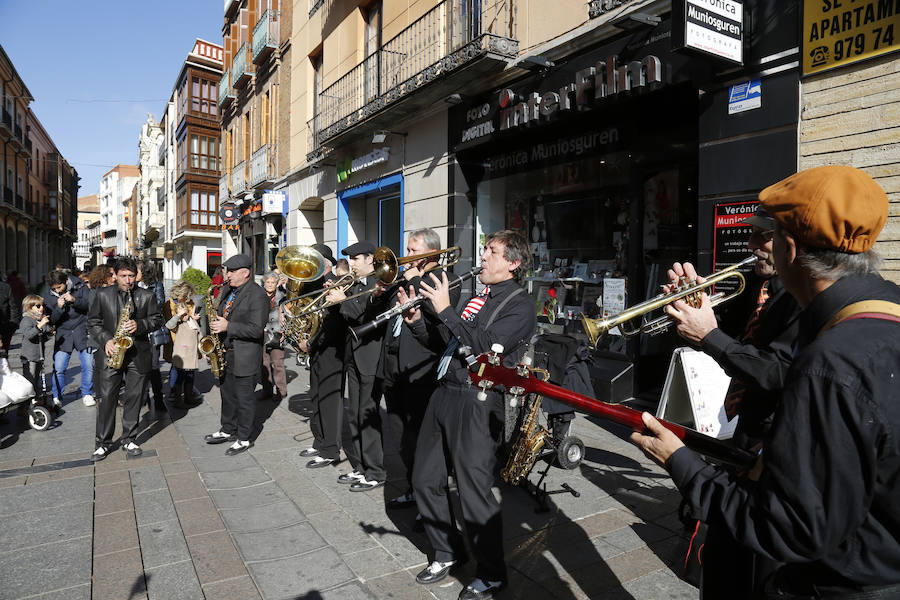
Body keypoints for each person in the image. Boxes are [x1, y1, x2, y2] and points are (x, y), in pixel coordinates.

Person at [632, 165, 900, 598]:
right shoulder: (885, 308)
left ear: (790, 249)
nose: (756, 246)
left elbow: (789, 528)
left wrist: (681, 461)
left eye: (766, 234)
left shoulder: (830, 361)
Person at [401, 230, 535, 600]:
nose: (484, 257)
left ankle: (492, 575)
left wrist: (444, 308)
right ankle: (449, 550)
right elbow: (448, 343)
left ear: (513, 262)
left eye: (492, 252)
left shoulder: (520, 305)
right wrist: (417, 321)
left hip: (477, 401)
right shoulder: (478, 297)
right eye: (485, 250)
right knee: (425, 479)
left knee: (474, 493)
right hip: (444, 392)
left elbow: (480, 348)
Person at [380, 228, 459, 510]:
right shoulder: (404, 277)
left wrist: (417, 280)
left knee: (423, 440)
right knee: (402, 437)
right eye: (409, 249)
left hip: (421, 371)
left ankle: (430, 500)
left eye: (414, 251)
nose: (407, 255)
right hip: (395, 369)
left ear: (431, 252)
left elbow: (438, 317)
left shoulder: (444, 279)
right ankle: (414, 490)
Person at [88, 257, 164, 461]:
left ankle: (129, 438)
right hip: (111, 352)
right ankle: (102, 443)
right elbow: (93, 322)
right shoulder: (102, 294)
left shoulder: (147, 296)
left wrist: (140, 325)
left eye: (131, 276)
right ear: (115, 275)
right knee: (106, 399)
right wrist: (106, 340)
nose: (128, 280)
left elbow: (157, 320)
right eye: (123, 276)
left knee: (135, 398)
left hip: (138, 354)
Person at [327, 241, 388, 491]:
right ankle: (361, 467)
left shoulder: (381, 283)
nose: (351, 263)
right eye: (349, 259)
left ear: (370, 259)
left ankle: (375, 471)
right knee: (354, 414)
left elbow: (366, 317)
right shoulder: (354, 284)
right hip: (353, 356)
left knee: (367, 415)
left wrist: (342, 300)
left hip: (371, 359)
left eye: (355, 258)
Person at [203, 254, 269, 456]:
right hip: (226, 352)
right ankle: (227, 429)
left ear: (245, 273)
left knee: (244, 399)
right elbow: (220, 315)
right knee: (227, 395)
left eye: (231, 271)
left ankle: (244, 437)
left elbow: (256, 330)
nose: (227, 274)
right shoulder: (227, 290)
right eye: (227, 270)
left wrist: (228, 326)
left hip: (245, 355)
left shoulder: (258, 295)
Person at [300, 244, 348, 470]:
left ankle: (330, 449)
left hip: (332, 349)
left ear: (325, 263)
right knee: (316, 395)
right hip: (317, 347)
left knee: (329, 400)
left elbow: (338, 320)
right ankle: (320, 440)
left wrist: (310, 339)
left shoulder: (338, 282)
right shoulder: (311, 284)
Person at [43, 269, 94, 407]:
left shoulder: (81, 286)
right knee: (59, 368)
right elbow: (51, 320)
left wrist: (74, 300)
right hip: (63, 334)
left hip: (82, 330)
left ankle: (87, 393)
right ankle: (57, 396)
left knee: (88, 365)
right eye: (54, 288)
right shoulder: (48, 295)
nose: (57, 290)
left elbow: (91, 305)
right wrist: (59, 308)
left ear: (66, 282)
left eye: (59, 287)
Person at [162, 281, 205, 409]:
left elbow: (198, 332)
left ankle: (188, 395)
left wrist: (193, 319)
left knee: (190, 373)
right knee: (177, 370)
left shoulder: (189, 304)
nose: (188, 299)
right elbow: (169, 324)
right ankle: (175, 396)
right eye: (186, 296)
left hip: (190, 345)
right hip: (177, 344)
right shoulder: (168, 305)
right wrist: (179, 317)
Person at [137, 261, 168, 413]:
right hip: (138, 332)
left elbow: (160, 302)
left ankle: (158, 398)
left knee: (154, 366)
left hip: (153, 332)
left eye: (136, 270)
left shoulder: (157, 285)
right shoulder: (133, 287)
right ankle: (143, 397)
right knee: (141, 367)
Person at [17, 294, 52, 404]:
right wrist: (39, 326)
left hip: (39, 355)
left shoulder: (40, 319)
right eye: (38, 306)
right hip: (29, 356)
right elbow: (28, 335)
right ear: (29, 307)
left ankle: (35, 400)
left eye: (42, 305)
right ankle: (25, 405)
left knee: (36, 379)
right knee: (29, 381)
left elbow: (43, 335)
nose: (41, 308)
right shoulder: (26, 320)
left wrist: (49, 332)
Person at [261, 272, 287, 401]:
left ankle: (281, 391)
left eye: (273, 282)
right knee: (264, 365)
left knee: (278, 364)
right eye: (268, 282)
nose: (270, 285)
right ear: (264, 283)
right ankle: (267, 391)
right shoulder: (259, 297)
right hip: (262, 334)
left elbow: (288, 317)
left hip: (278, 333)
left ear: (277, 284)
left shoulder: (283, 297)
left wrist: (284, 333)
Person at [0, 278, 21, 360]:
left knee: (3, 357)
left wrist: (13, 325)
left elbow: (13, 307)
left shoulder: (5, 287)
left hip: (4, 327)